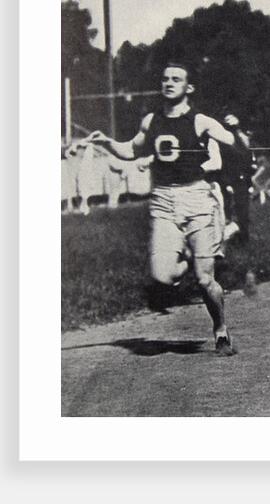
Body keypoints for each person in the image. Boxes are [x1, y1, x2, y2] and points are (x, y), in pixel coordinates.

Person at [87, 62, 242, 356]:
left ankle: (220, 329)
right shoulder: (152, 120)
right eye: (165, 79)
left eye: (176, 79)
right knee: (162, 277)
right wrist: (106, 142)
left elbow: (236, 144)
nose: (169, 83)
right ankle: (189, 256)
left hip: (196, 198)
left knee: (205, 280)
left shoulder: (200, 121)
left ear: (188, 87)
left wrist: (236, 131)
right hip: (163, 201)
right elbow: (132, 150)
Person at [214, 114, 256, 244]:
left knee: (242, 209)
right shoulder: (224, 141)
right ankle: (228, 237)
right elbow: (224, 163)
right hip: (228, 179)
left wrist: (249, 181)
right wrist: (226, 182)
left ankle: (242, 237)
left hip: (241, 179)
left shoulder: (242, 138)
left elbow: (248, 156)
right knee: (227, 209)